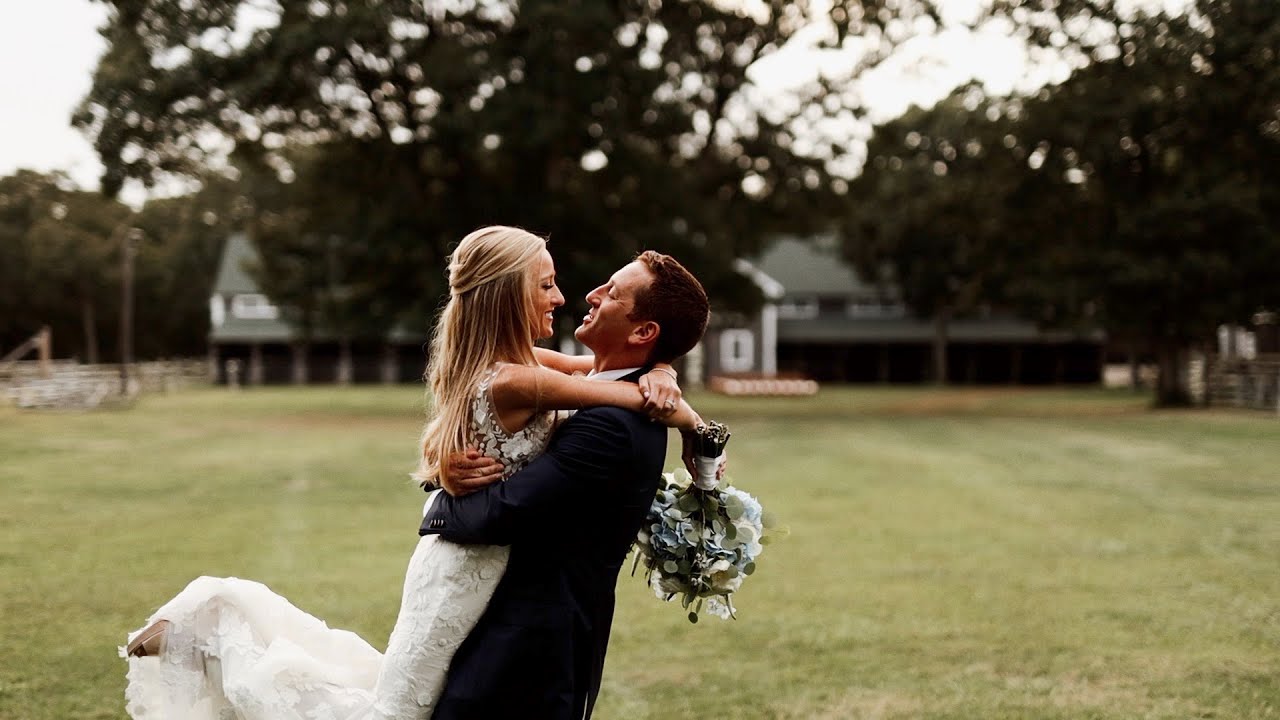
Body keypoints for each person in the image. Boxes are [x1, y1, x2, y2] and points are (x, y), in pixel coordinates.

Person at [120, 226, 707, 719]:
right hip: (463, 569)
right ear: (508, 297)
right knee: (394, 712)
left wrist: (668, 383)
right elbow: (604, 393)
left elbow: (590, 386)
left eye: (611, 290)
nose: (575, 294)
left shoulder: (532, 372)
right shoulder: (524, 377)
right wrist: (670, 402)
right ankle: (215, 626)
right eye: (547, 284)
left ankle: (220, 625)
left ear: (642, 330)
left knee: (394, 703)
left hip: (500, 595)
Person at [420, 246, 711, 719]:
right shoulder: (593, 384)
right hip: (499, 632)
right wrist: (664, 370)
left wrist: (436, 502)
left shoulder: (612, 427)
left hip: (527, 653)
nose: (589, 295)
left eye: (612, 293)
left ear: (643, 331)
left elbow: (501, 512)